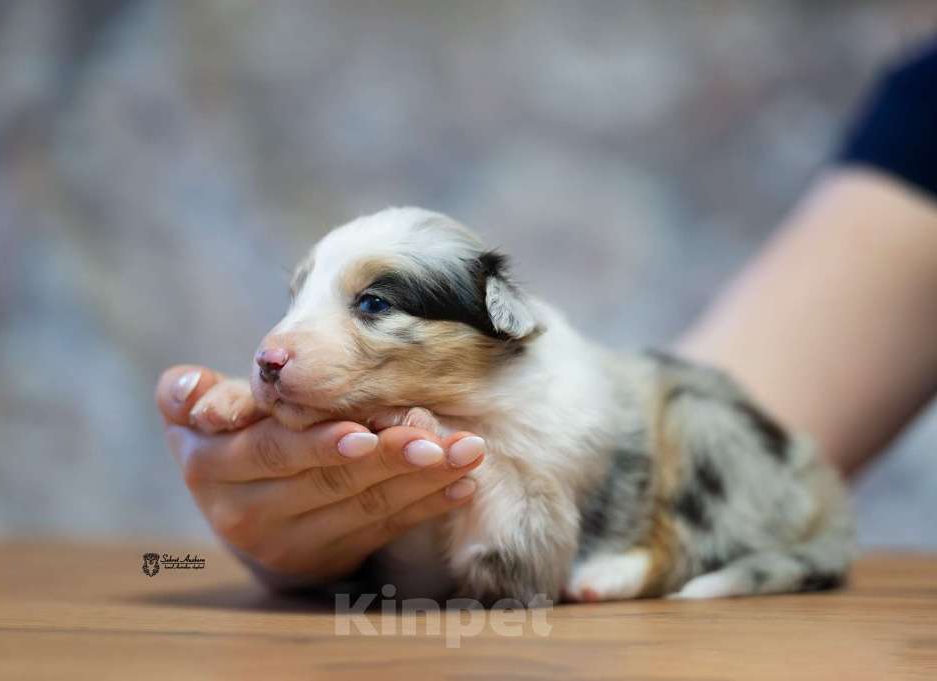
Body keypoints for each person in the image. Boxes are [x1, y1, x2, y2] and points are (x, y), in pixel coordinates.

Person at [156, 40, 937, 589]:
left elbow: (514, 577)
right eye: (300, 296)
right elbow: (763, 404)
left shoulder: (549, 396)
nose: (275, 345)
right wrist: (300, 521)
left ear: (499, 323)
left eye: (371, 305)